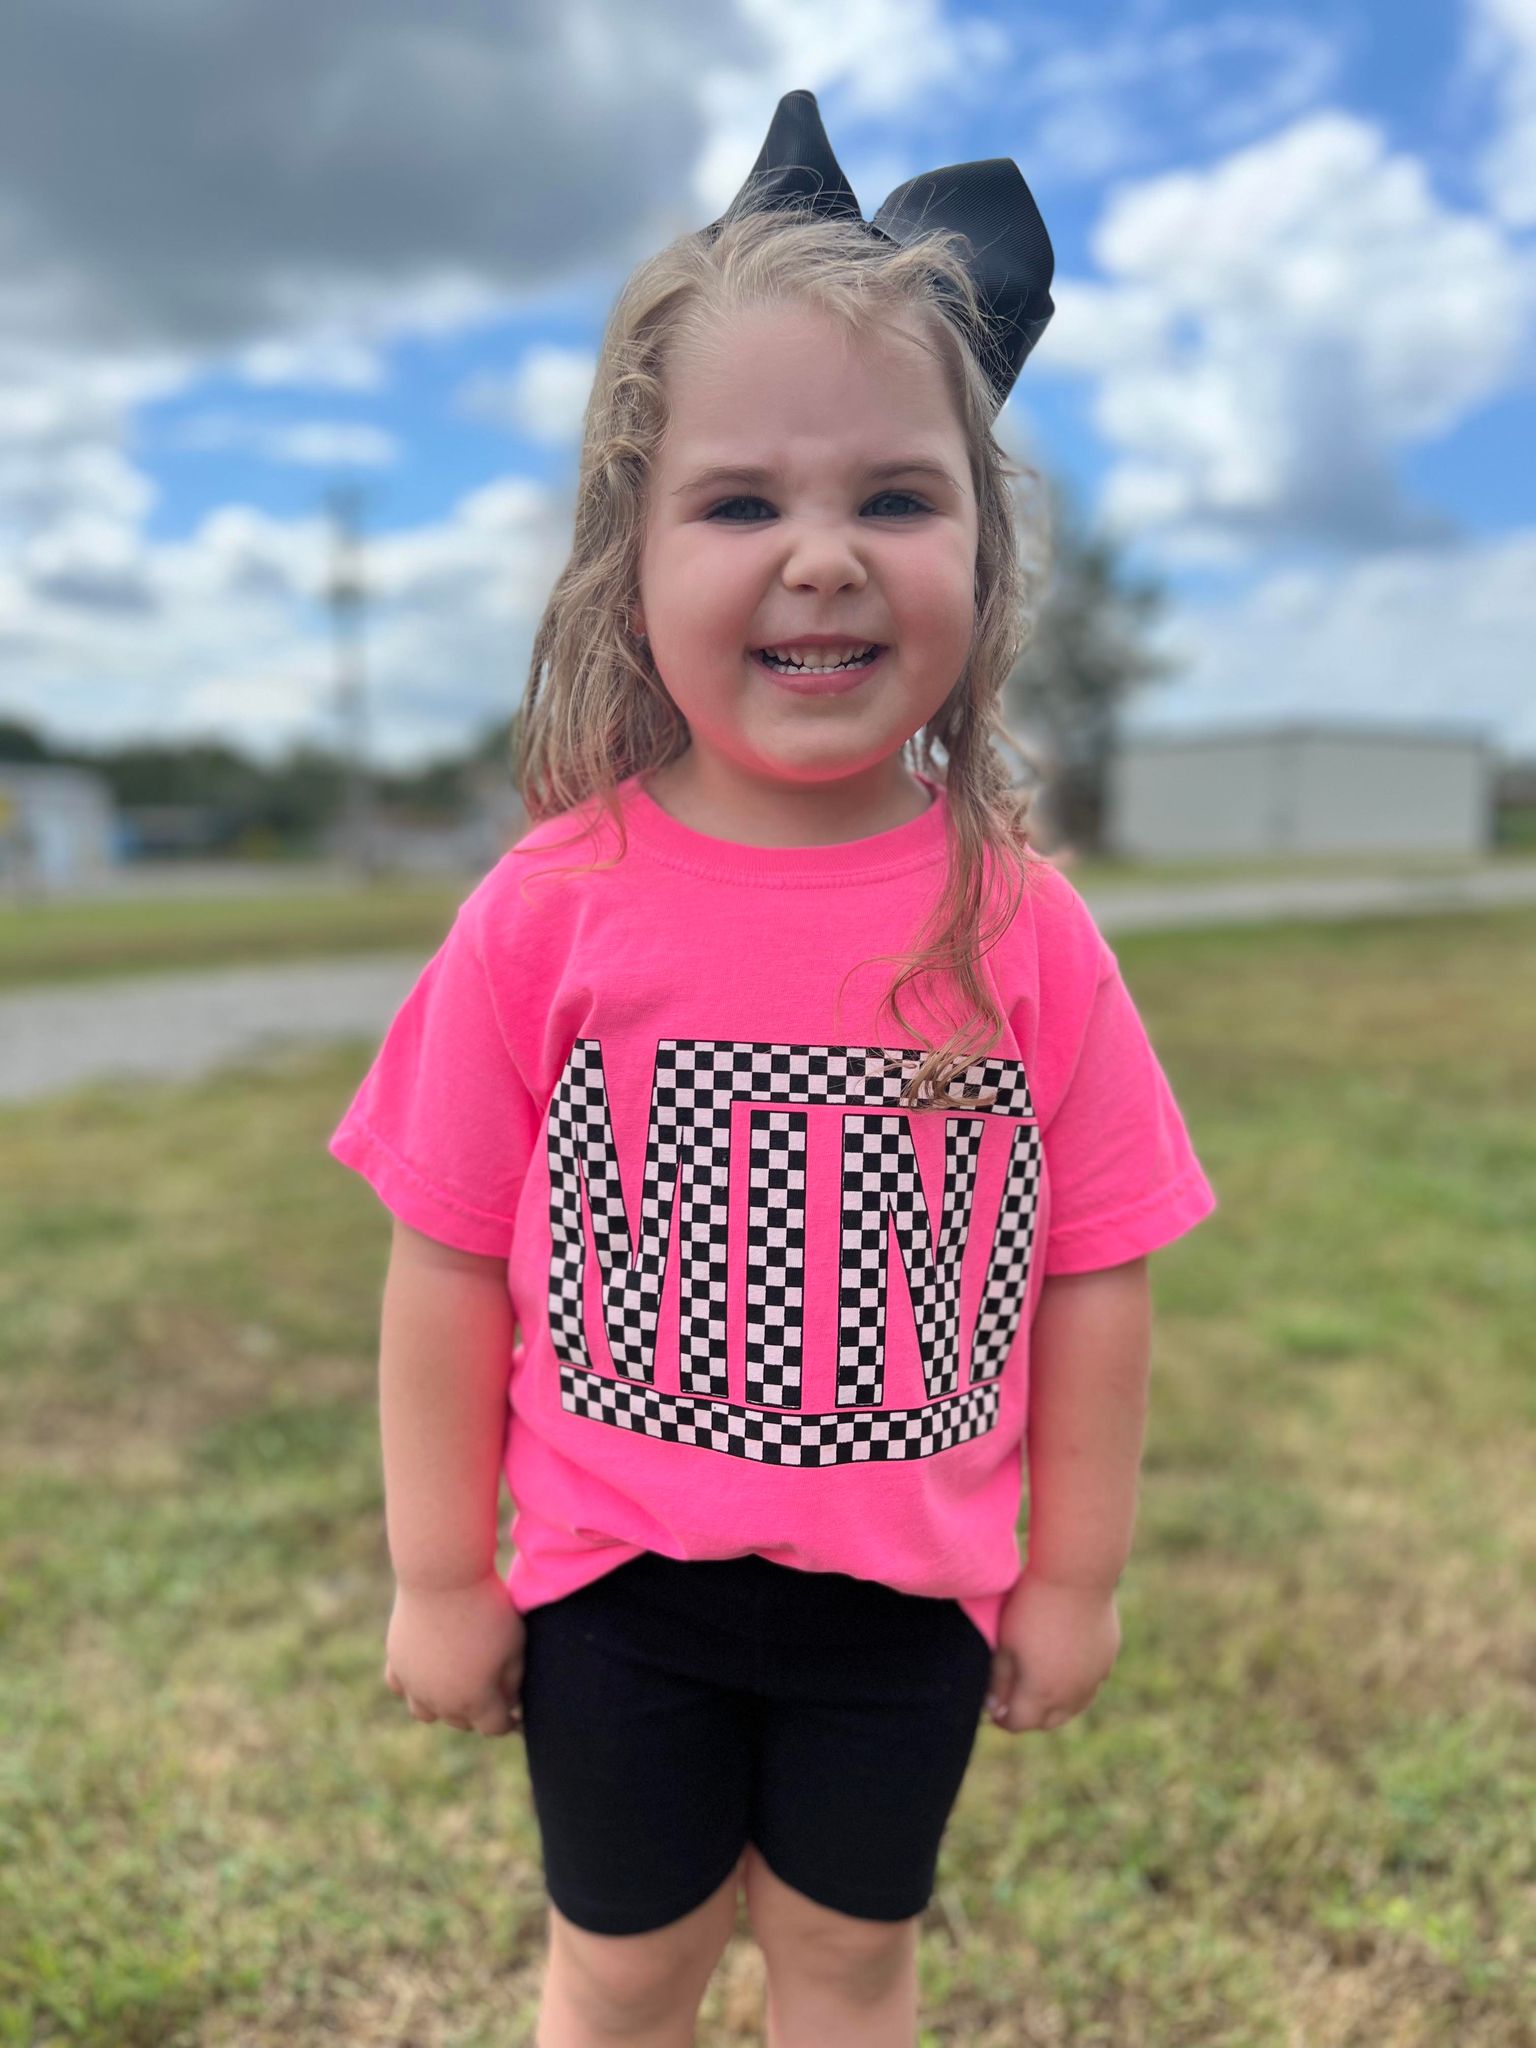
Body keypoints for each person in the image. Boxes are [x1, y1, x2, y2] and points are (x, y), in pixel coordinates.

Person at [328, 88, 1218, 2048]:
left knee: (844, 1962)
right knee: (628, 1963)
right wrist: (438, 1571)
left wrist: (1071, 1577)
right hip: (613, 1589)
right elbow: (448, 1256)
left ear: (986, 555)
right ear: (624, 565)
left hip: (902, 1605)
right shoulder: (548, 910)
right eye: (741, 503)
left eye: (894, 497)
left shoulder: (1029, 929)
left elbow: (1097, 1273)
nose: (822, 556)